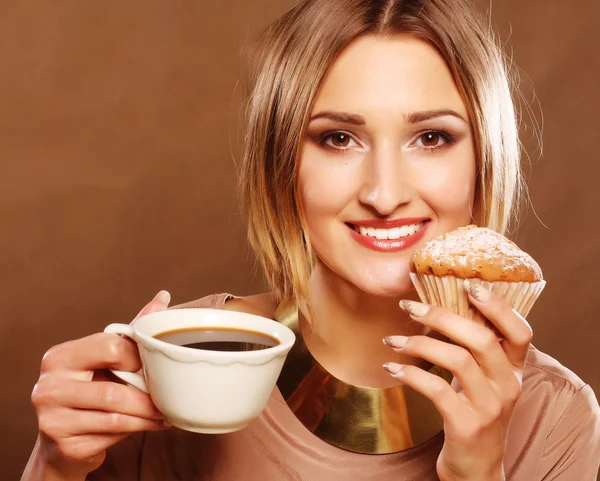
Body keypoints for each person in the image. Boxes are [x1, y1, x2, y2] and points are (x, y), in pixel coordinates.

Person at [21, 0, 600, 480]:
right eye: (339, 138)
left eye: (430, 137)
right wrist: (54, 465)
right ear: (282, 164)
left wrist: (479, 472)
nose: (384, 192)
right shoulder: (177, 362)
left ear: (484, 161)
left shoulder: (556, 417)